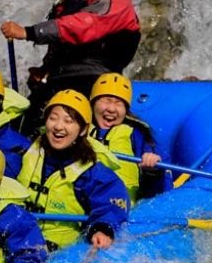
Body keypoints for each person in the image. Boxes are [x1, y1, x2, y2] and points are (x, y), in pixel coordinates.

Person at [0, 0, 141, 135]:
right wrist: (45, 70)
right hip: (62, 80)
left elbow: (84, 25)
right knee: (22, 126)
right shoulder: (70, 0)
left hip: (96, 82)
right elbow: (61, 45)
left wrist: (29, 32)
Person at [16, 89, 129, 252]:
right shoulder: (26, 150)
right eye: (53, 118)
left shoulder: (91, 171)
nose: (58, 126)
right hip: (19, 237)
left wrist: (102, 228)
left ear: (83, 130)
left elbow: (111, 202)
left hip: (60, 249)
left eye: (68, 121)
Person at [88, 73, 171, 204]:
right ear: (93, 103)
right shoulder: (78, 130)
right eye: (106, 100)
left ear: (126, 109)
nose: (111, 109)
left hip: (122, 207)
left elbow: (159, 191)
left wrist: (153, 171)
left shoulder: (136, 134)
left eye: (119, 103)